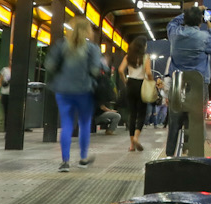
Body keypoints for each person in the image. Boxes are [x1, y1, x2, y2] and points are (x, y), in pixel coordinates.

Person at [44, 16, 104, 172]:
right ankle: (83, 159)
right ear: (87, 30)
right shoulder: (92, 48)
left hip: (63, 90)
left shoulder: (60, 46)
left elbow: (49, 65)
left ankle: (65, 162)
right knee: (84, 124)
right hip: (85, 91)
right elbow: (95, 69)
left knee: (66, 125)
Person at [165, 5, 211, 156]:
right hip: (198, 85)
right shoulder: (204, 37)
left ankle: (170, 155)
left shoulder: (174, 34)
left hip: (178, 84)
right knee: (196, 122)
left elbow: (172, 22)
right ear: (201, 21)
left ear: (185, 20)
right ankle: (194, 153)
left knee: (174, 123)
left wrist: (191, 11)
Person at [118, 34, 152, 152]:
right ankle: (137, 138)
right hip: (141, 85)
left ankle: (132, 145)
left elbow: (120, 70)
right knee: (141, 113)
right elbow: (148, 72)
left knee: (132, 114)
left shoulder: (128, 57)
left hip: (130, 84)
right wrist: (152, 81)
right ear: (143, 46)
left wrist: (125, 81)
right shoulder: (146, 57)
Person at [93, 63, 121, 136]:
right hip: (97, 116)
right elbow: (101, 106)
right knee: (117, 116)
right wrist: (111, 110)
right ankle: (110, 130)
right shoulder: (101, 91)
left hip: (93, 114)